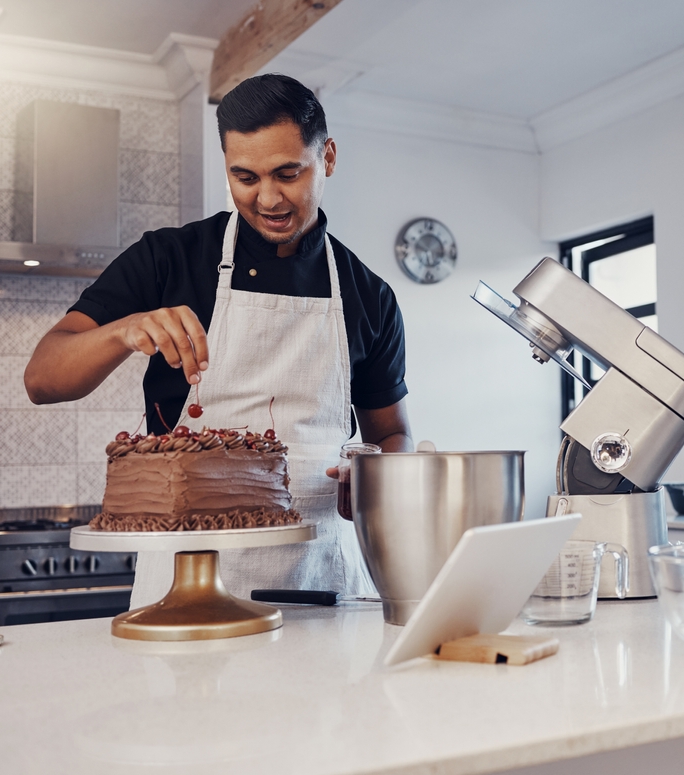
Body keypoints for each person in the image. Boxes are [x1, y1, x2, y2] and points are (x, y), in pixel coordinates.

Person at [24, 74, 413, 606]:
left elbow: (393, 435)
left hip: (320, 581)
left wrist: (374, 474)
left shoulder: (369, 295)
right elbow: (42, 379)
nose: (268, 198)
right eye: (245, 176)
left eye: (287, 173)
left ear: (328, 157)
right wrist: (122, 331)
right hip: (183, 586)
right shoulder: (168, 259)